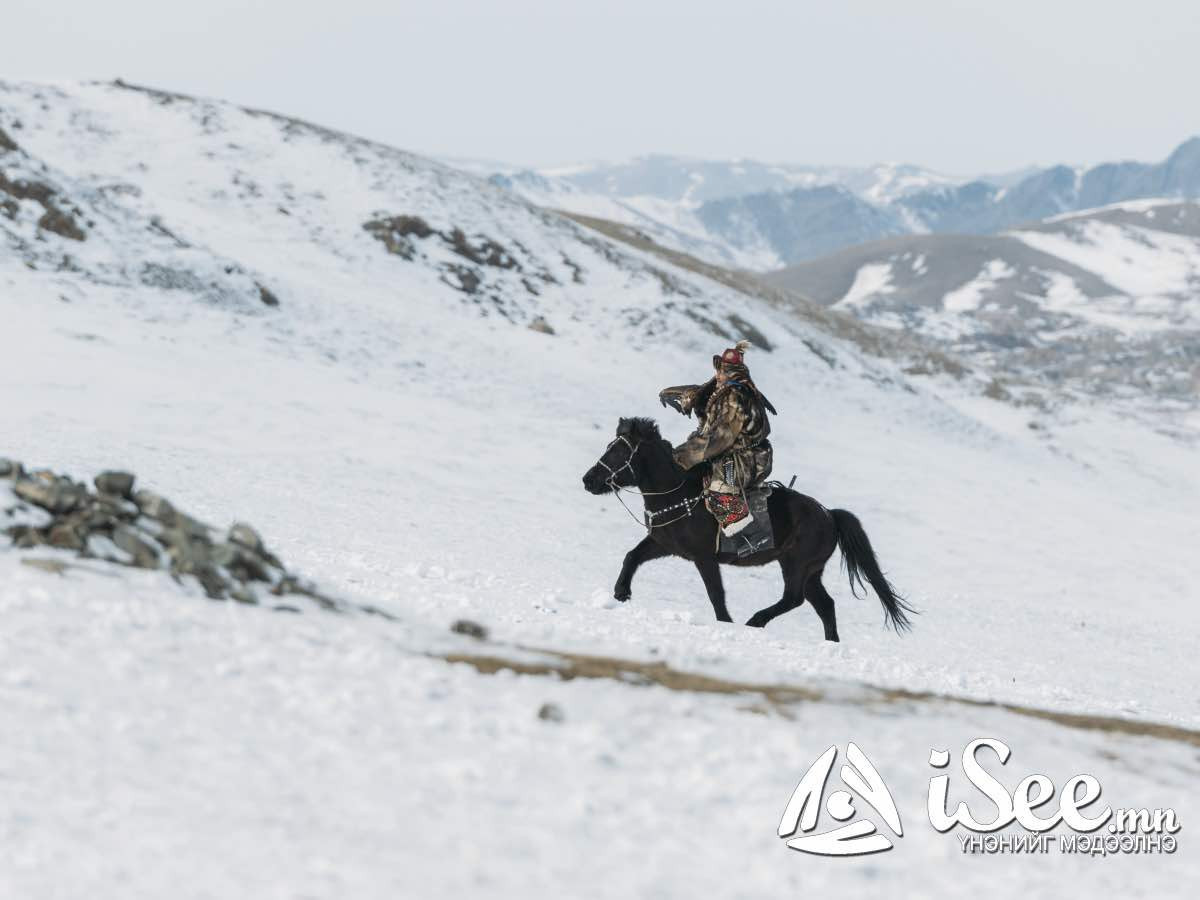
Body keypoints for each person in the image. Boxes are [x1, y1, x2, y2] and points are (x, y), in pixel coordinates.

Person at [659, 340, 776, 535]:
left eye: (722, 372)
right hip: (728, 452)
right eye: (718, 370)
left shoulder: (735, 398)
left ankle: (750, 536)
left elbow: (720, 439)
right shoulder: (723, 390)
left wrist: (679, 455)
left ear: (733, 375)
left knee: (718, 491)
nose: (718, 375)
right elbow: (702, 393)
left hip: (747, 459)